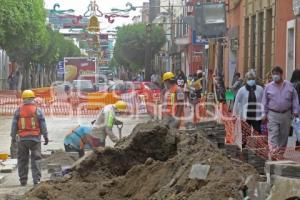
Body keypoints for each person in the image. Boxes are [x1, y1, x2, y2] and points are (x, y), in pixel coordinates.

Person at [11, 90, 48, 186]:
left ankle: (23, 180)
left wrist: (13, 137)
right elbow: (43, 124)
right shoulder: (37, 110)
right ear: (33, 98)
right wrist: (46, 136)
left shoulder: (18, 110)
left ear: (23, 99)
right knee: (36, 159)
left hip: (22, 139)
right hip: (35, 139)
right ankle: (37, 180)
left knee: (22, 160)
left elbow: (14, 125)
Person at [262, 66, 299, 159]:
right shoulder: (268, 87)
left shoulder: (289, 86)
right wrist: (264, 114)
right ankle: (273, 153)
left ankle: (280, 154)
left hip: (286, 114)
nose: (275, 76)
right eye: (273, 74)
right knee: (273, 133)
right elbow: (264, 101)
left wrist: (295, 110)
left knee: (284, 135)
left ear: (281, 74)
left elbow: (295, 98)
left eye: (276, 74)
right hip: (273, 114)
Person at [233, 72, 264, 146]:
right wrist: (235, 114)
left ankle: (257, 150)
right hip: (245, 116)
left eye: (252, 79)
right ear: (246, 79)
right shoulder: (242, 90)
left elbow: (263, 102)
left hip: (256, 115)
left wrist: (264, 114)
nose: (251, 80)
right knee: (245, 133)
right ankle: (244, 149)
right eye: (249, 79)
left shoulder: (260, 89)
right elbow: (237, 102)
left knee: (257, 133)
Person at [290, 69, 300, 149]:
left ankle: (297, 142)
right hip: (298, 106)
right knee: (298, 124)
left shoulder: (290, 84)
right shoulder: (299, 84)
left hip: (292, 107)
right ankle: (298, 141)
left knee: (296, 125)